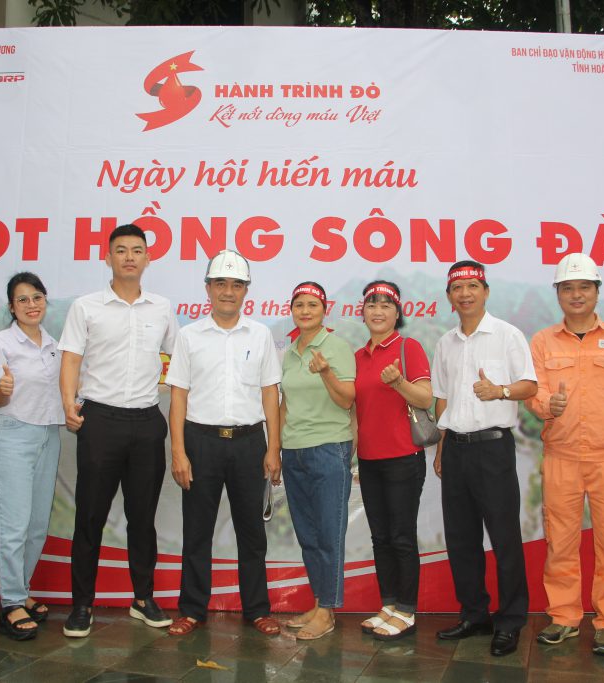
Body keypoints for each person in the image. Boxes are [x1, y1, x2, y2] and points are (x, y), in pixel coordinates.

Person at [58, 224, 179, 638]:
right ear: (107, 257)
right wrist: (69, 403)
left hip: (146, 421)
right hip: (100, 421)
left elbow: (179, 359)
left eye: (137, 250)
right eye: (121, 250)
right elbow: (71, 358)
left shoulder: (162, 308)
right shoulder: (86, 307)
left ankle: (143, 598)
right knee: (90, 517)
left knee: (142, 518)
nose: (129, 257)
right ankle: (82, 605)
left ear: (148, 258)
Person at [164, 249, 283, 637]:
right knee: (197, 532)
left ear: (246, 290)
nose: (228, 292)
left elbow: (270, 393)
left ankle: (257, 609)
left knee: (252, 533)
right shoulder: (189, 336)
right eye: (220, 284)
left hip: (249, 443)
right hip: (201, 442)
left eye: (236, 284)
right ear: (208, 288)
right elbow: (178, 395)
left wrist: (273, 448)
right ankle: (192, 609)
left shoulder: (260, 334)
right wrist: (178, 451)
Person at [524, 253, 604, 655]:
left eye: (584, 286)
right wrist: (546, 405)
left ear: (597, 291)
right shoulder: (542, 341)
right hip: (562, 455)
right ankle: (564, 616)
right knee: (561, 540)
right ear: (558, 294)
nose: (576, 294)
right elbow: (534, 390)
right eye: (567, 288)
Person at [432, 260, 536, 656]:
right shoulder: (445, 343)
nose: (465, 294)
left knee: (504, 538)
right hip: (456, 449)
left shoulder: (507, 335)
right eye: (457, 288)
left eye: (473, 286)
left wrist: (500, 391)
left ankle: (510, 621)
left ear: (486, 291)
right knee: (461, 539)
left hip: (493, 448)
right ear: (449, 296)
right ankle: (474, 614)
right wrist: (441, 448)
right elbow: (442, 399)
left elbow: (530, 385)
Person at [0, 272, 64, 640]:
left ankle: (22, 590)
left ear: (45, 301)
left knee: (36, 525)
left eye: (37, 297)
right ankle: (11, 603)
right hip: (10, 434)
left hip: (49, 435)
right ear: (11, 307)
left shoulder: (55, 346)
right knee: (12, 525)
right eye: (23, 300)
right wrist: (2, 389)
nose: (32, 305)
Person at [353, 280, 432, 641]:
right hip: (369, 460)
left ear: (397, 313)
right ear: (363, 312)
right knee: (380, 537)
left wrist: (398, 382)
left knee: (401, 537)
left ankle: (406, 610)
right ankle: (388, 605)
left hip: (403, 458)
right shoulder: (358, 357)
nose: (378, 311)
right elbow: (356, 412)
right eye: (372, 305)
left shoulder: (407, 347)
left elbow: (426, 399)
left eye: (386, 305)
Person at [279, 281, 356, 640]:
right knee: (308, 535)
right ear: (291, 311)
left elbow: (347, 400)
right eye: (299, 305)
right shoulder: (290, 352)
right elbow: (285, 404)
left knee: (329, 533)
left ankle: (327, 611)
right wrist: (275, 449)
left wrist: (326, 372)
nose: (305, 311)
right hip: (293, 450)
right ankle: (318, 602)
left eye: (312, 305)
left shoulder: (337, 347)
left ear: (324, 310)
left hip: (329, 448)